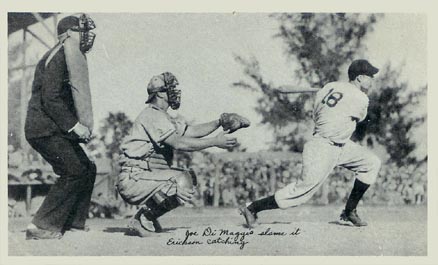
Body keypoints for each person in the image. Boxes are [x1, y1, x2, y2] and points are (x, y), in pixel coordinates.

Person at [239, 59, 381, 227]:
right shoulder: (361, 98)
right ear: (359, 78)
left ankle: (349, 211)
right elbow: (361, 118)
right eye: (369, 76)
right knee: (300, 193)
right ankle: (252, 208)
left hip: (340, 145)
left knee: (371, 163)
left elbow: (316, 115)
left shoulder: (329, 87)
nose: (372, 80)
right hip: (323, 148)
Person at [116, 72, 249, 237]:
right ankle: (143, 217)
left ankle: (148, 216)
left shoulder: (163, 116)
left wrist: (219, 122)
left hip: (144, 176)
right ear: (158, 93)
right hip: (133, 179)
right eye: (169, 89)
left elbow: (190, 131)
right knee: (181, 181)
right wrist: (214, 142)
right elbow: (179, 143)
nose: (174, 92)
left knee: (189, 178)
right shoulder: (151, 115)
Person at [24, 14, 97, 239]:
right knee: (73, 171)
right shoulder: (58, 56)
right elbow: (51, 99)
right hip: (42, 129)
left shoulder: (68, 55)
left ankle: (72, 223)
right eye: (80, 31)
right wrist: (75, 127)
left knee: (87, 168)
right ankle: (41, 226)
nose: (86, 36)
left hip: (54, 128)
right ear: (67, 34)